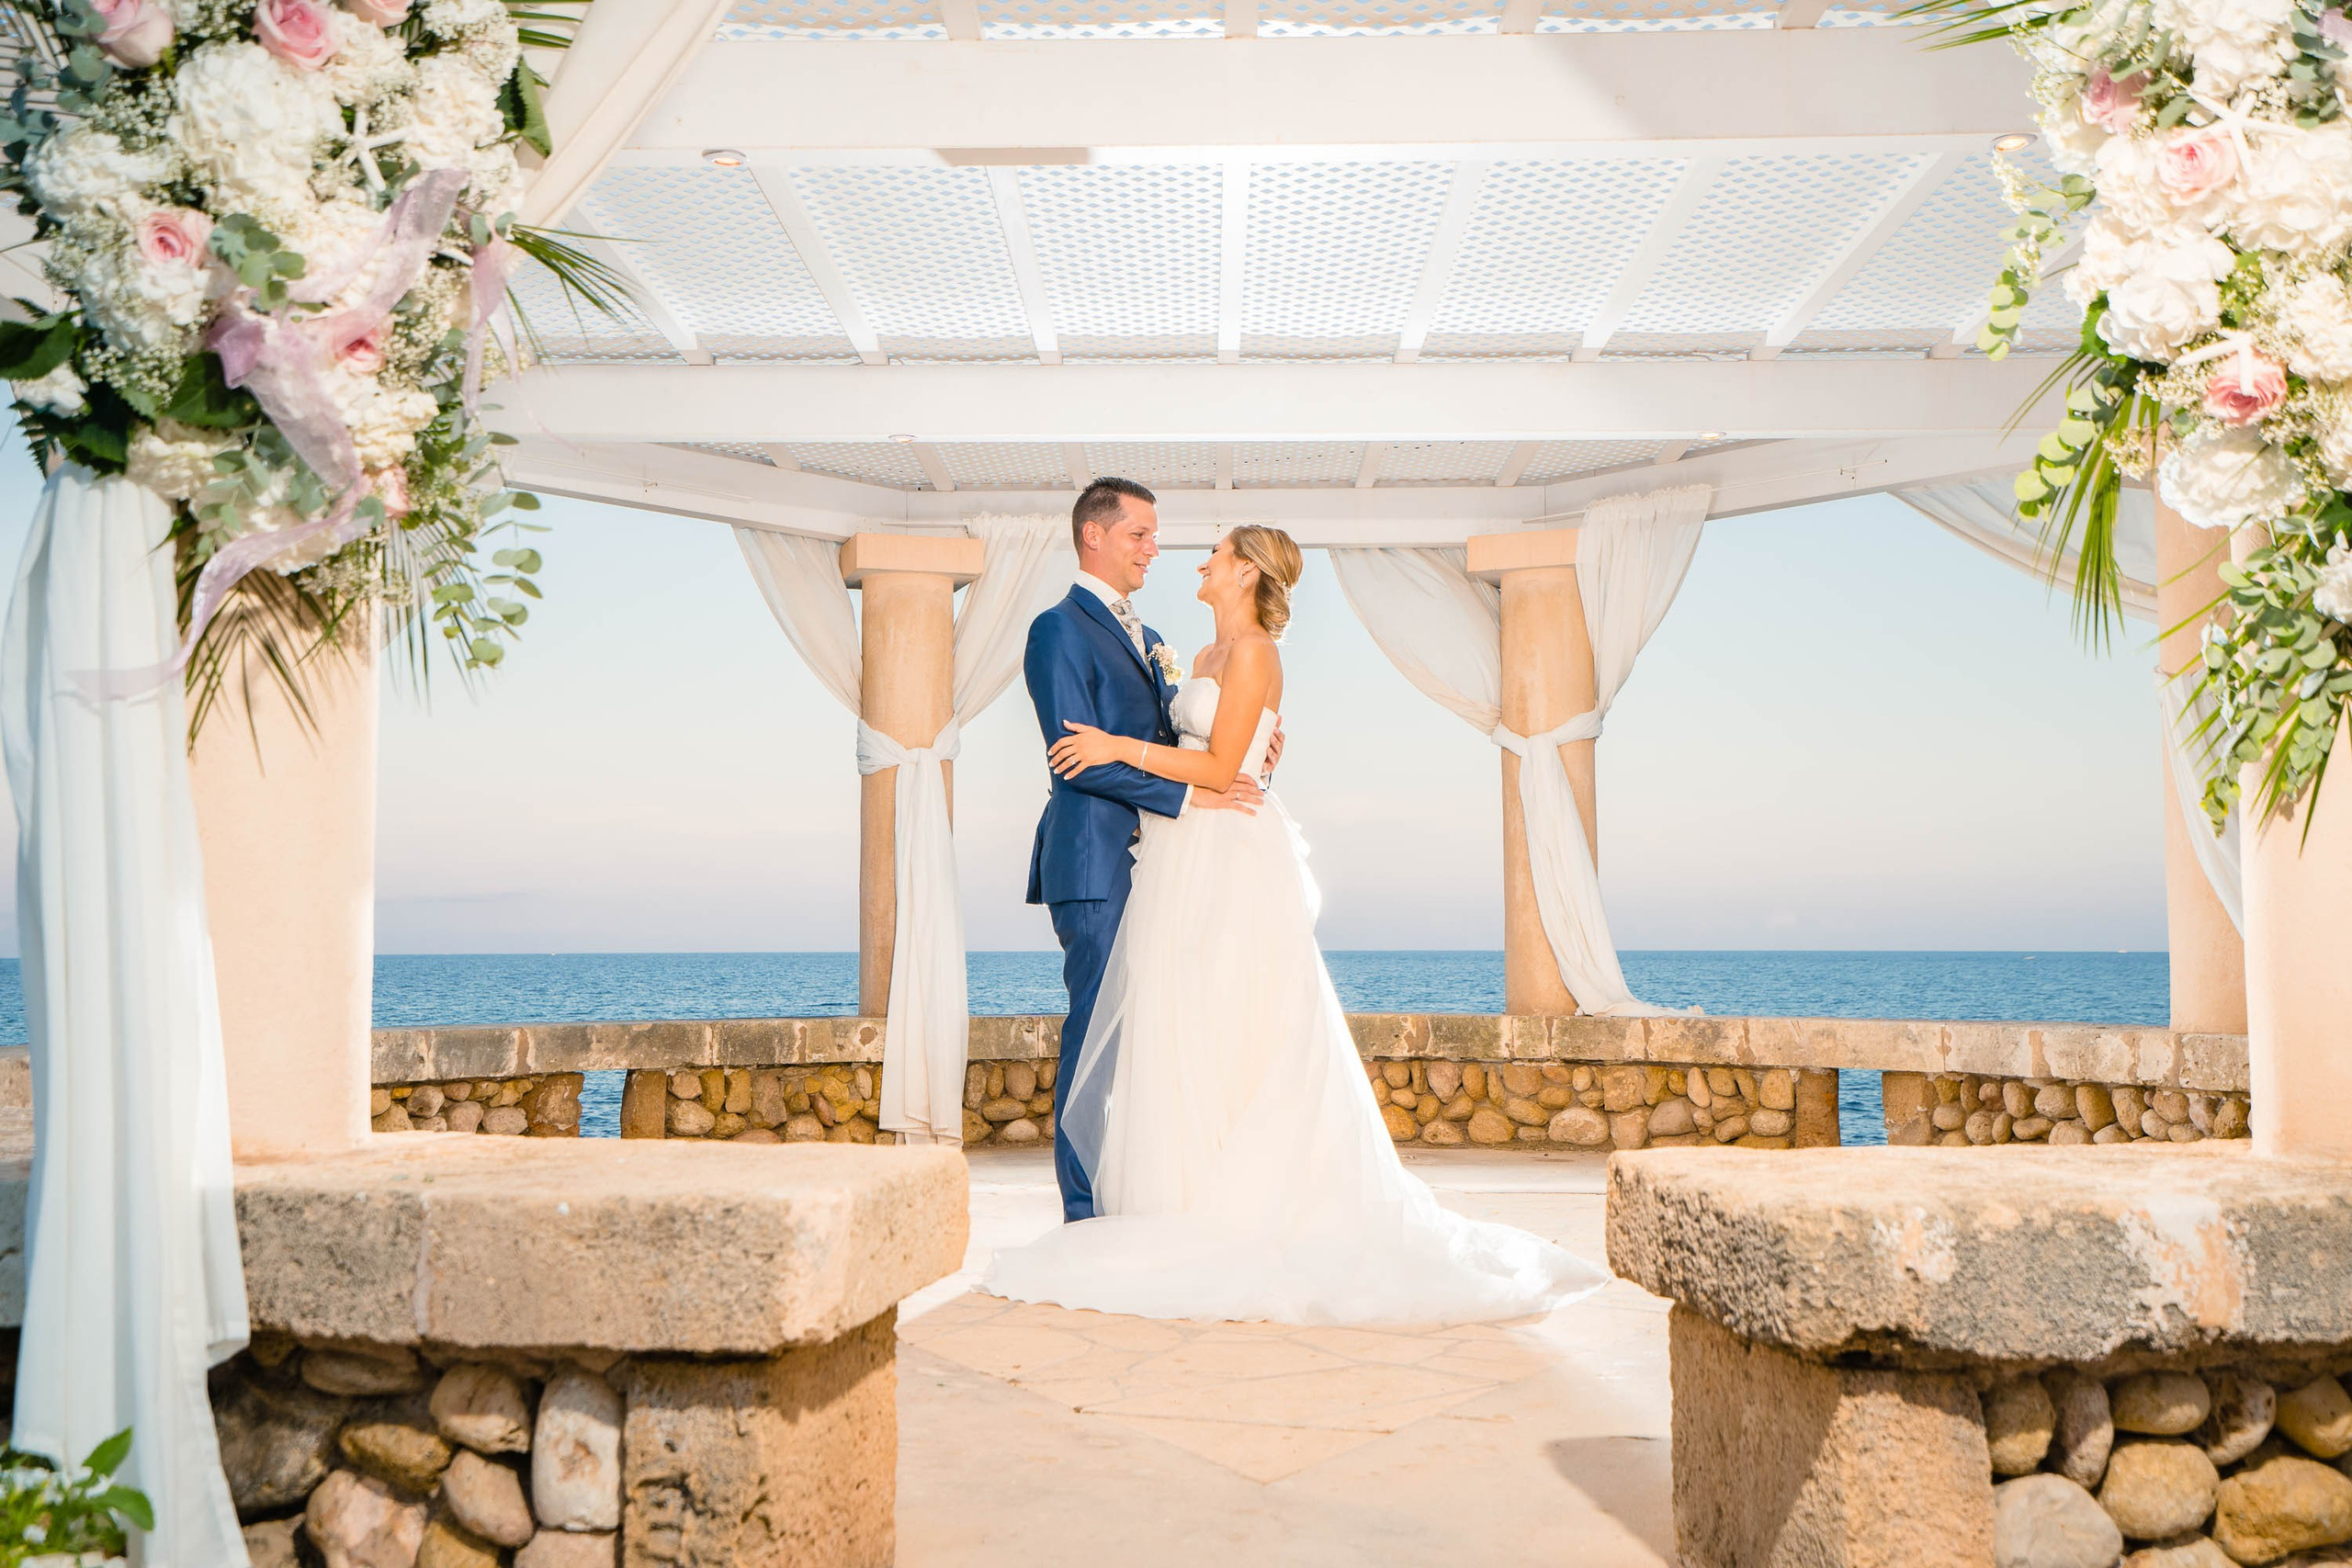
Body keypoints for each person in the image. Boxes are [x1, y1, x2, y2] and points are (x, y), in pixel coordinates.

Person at [989, 525, 1605, 1325]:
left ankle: (1251, 1204)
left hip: (1230, 848)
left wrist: (1125, 747)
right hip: (1179, 848)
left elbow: (1221, 768)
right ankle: (1177, 1196)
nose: (1196, 558)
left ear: (1246, 570)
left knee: (1241, 1013)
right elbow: (1206, 745)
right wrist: (1230, 751)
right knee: (1183, 1022)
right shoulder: (1193, 652)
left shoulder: (1254, 654)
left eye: (1216, 552)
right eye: (1146, 534)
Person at [1023, 478, 1269, 1223]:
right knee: (1097, 1035)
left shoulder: (1154, 636)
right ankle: (1084, 1213)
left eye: (1155, 535)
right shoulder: (1055, 630)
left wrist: (1251, 744)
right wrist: (1193, 798)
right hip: (1095, 861)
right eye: (1140, 534)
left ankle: (1134, 1193)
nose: (1155, 549)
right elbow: (1077, 757)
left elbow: (1180, 740)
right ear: (1093, 535)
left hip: (1163, 863)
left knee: (1155, 1031)